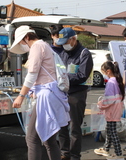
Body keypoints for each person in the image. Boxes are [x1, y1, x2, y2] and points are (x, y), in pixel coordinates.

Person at [10, 25, 70, 160]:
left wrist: (21, 96)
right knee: (49, 139)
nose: (21, 44)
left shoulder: (37, 47)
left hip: (45, 95)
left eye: (21, 41)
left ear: (26, 37)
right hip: (52, 94)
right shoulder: (45, 45)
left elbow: (32, 74)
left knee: (32, 139)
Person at [56, 27, 94, 160]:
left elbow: (82, 75)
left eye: (66, 42)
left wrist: (64, 79)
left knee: (74, 127)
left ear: (73, 39)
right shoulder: (62, 53)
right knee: (62, 125)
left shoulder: (84, 53)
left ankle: (74, 155)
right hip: (62, 93)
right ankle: (64, 153)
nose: (64, 45)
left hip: (76, 94)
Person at [94, 61, 125, 160]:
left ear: (108, 71)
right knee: (109, 130)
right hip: (116, 109)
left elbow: (109, 100)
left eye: (103, 71)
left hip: (112, 110)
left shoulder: (111, 83)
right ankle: (106, 148)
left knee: (112, 132)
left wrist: (101, 105)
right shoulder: (116, 80)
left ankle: (119, 154)